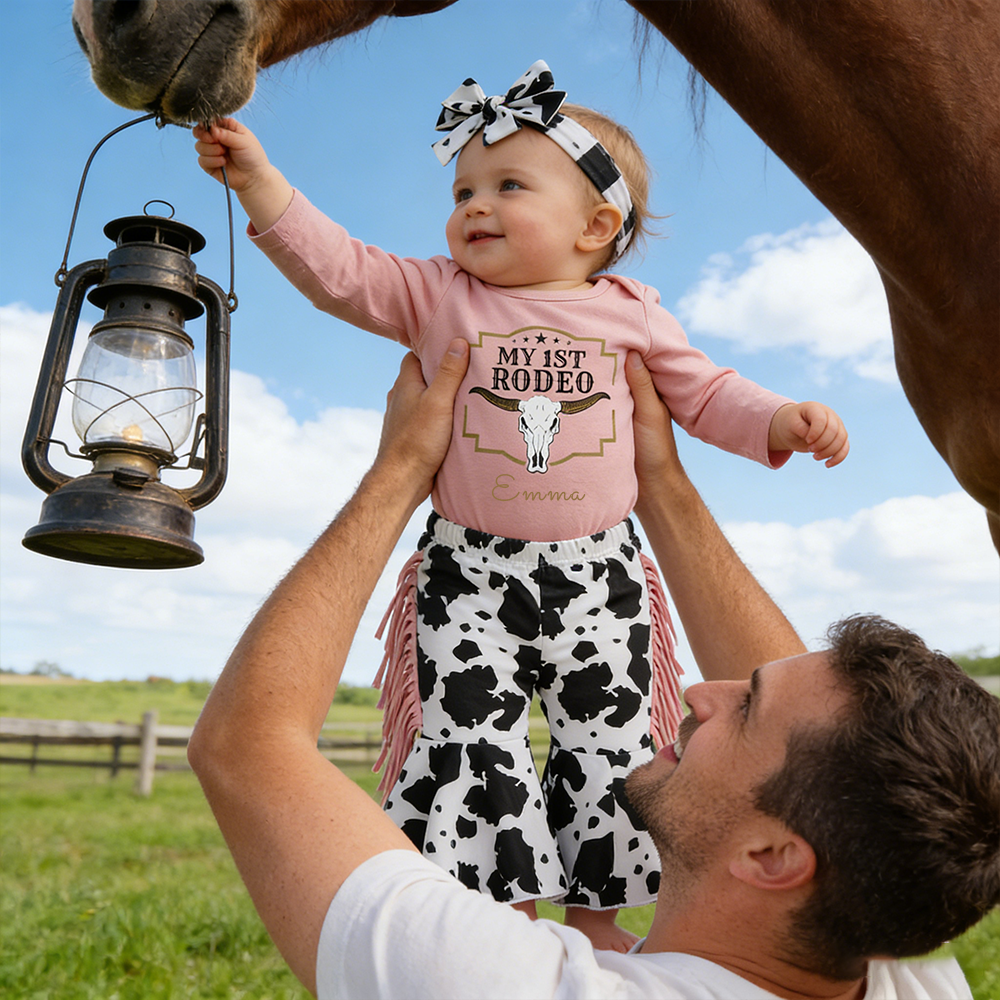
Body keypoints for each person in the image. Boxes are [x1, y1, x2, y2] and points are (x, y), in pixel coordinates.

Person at [193, 59, 851, 948]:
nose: (474, 205)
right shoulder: (439, 295)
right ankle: (495, 919)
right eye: (463, 188)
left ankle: (603, 924)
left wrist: (779, 419)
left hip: (601, 572)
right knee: (469, 739)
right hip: (468, 570)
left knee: (614, 746)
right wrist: (261, 181)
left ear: (596, 226)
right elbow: (341, 269)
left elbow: (705, 392)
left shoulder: (634, 313)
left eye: (508, 185)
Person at [187, 345, 998, 999]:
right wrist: (658, 482)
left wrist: (400, 469)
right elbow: (831, 755)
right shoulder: (897, 957)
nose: (698, 691)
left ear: (774, 858)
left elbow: (247, 744)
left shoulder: (502, 984)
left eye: (744, 711)